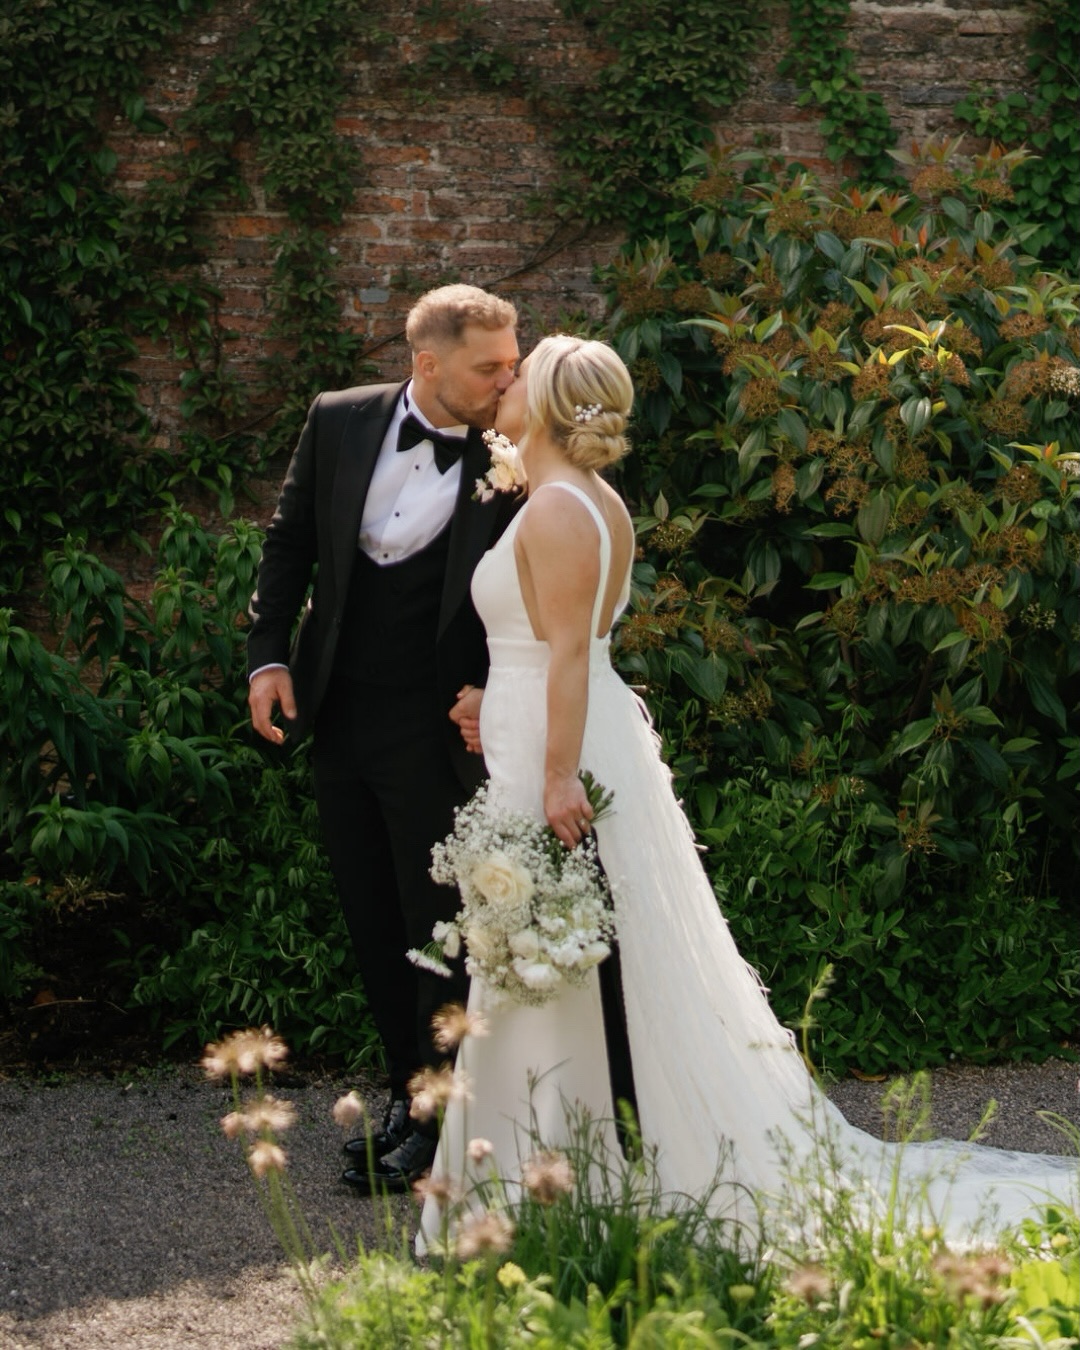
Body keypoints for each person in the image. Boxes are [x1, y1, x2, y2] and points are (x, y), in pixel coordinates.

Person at [419, 334, 1076, 1250]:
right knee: (561, 953)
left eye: (521, 372)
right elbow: (555, 646)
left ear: (556, 402)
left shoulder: (561, 510)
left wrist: (558, 773)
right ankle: (552, 1176)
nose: (506, 382)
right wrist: (500, 703)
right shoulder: (585, 501)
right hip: (550, 728)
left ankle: (561, 1190)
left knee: (556, 953)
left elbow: (569, 652)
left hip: (558, 757)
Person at [246, 283, 520, 1193]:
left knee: (436, 920)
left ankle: (439, 1113)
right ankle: (407, 1087)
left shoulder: (516, 451)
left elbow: (541, 592)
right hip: (340, 717)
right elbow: (287, 545)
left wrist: (494, 682)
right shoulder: (339, 420)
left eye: (512, 361)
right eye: (490, 365)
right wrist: (266, 658)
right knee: (371, 916)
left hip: (443, 729)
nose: (506, 377)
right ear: (427, 363)